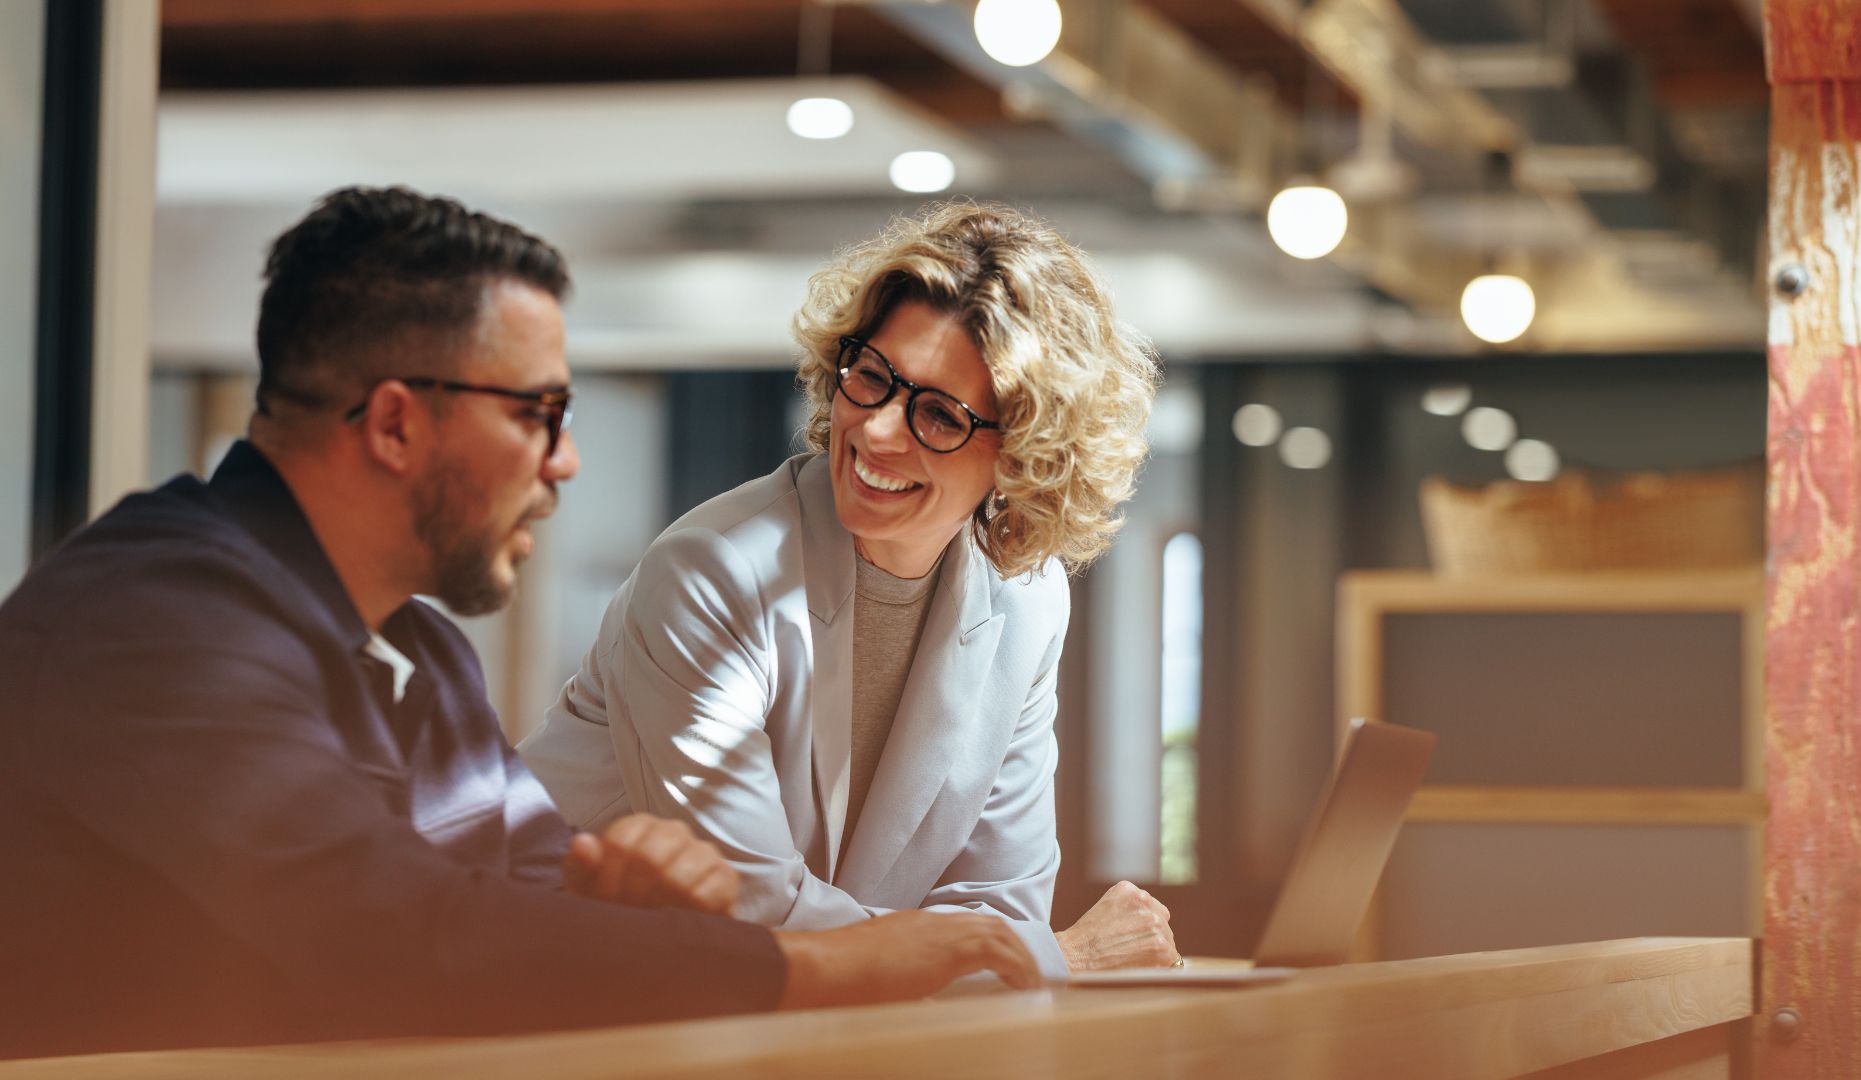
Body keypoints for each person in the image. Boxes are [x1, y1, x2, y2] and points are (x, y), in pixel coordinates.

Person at [0, 188, 1037, 1061]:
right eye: (538, 413)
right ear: (399, 422)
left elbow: (519, 901)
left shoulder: (422, 653)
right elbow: (403, 942)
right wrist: (837, 961)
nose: (565, 461)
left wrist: (622, 906)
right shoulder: (152, 625)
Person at [520, 201, 1176, 976]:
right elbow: (756, 911)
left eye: (937, 414)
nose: (876, 430)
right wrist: (1053, 956)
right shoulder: (713, 569)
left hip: (790, 1020)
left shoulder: (1026, 599)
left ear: (1024, 455)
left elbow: (998, 897)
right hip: (549, 996)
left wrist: (1008, 951)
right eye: (870, 376)